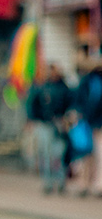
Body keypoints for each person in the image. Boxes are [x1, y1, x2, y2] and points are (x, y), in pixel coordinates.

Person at [26, 63, 72, 193]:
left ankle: (61, 180)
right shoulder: (41, 87)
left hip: (60, 125)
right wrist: (33, 120)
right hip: (44, 124)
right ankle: (48, 182)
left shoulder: (64, 88)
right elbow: (32, 105)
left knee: (59, 153)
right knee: (45, 154)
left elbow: (71, 104)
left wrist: (67, 119)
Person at [73, 59, 102, 196]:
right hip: (86, 125)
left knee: (99, 155)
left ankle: (98, 185)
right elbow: (79, 103)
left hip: (99, 125)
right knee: (85, 155)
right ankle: (83, 184)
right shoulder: (86, 82)